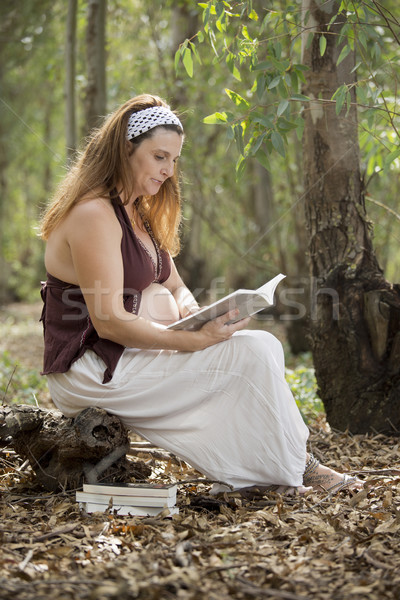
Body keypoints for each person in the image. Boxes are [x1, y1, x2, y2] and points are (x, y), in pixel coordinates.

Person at [40, 93, 361, 496]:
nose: (169, 171)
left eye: (174, 160)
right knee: (254, 351)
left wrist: (200, 315)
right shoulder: (94, 215)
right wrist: (189, 340)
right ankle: (296, 468)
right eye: (159, 157)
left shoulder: (136, 213)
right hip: (91, 369)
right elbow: (108, 320)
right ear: (126, 149)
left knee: (261, 347)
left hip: (130, 352)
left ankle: (275, 469)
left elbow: (174, 283)